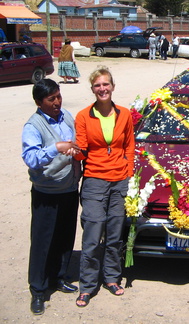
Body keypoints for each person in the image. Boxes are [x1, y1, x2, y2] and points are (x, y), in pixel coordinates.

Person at [74, 66, 135, 307]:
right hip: (94, 180)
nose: (102, 89)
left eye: (106, 84)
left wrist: (128, 172)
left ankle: (111, 278)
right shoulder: (83, 116)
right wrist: (75, 152)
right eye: (98, 85)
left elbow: (129, 145)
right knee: (92, 234)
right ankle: (87, 285)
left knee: (114, 234)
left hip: (119, 180)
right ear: (92, 89)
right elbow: (81, 149)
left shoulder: (125, 114)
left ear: (112, 86)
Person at [22, 79, 81, 315]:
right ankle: (38, 289)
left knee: (65, 236)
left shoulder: (66, 115)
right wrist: (55, 148)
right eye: (51, 99)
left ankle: (59, 277)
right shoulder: (33, 125)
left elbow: (76, 142)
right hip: (47, 192)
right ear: (39, 102)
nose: (57, 102)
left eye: (58, 96)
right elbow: (31, 158)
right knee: (42, 240)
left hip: (68, 189)